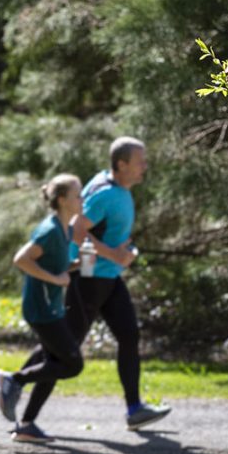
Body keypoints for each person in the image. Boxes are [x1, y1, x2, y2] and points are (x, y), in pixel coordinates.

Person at [64, 136, 171, 430]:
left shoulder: (112, 186)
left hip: (108, 276)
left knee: (128, 336)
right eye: (140, 162)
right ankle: (16, 382)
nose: (145, 167)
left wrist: (126, 251)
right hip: (91, 277)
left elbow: (107, 231)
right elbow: (76, 231)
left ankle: (135, 409)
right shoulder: (105, 194)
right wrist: (113, 253)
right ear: (121, 165)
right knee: (68, 344)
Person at [0, 174, 86, 443]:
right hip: (41, 311)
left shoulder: (65, 228)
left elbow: (52, 264)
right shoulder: (49, 230)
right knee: (72, 365)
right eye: (78, 195)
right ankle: (15, 379)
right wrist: (57, 279)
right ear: (62, 200)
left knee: (54, 365)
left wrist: (72, 265)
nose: (82, 199)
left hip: (51, 308)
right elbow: (21, 259)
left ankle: (26, 426)